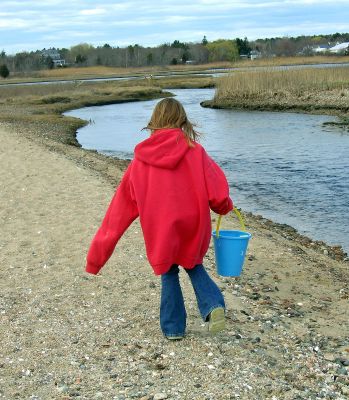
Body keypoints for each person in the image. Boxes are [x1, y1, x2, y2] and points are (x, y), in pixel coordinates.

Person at [85, 98, 233, 340]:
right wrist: (224, 207)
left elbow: (118, 213)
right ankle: (213, 305)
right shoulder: (196, 152)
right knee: (193, 264)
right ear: (182, 121)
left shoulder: (140, 162)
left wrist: (96, 259)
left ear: (154, 122)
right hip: (193, 225)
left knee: (169, 271)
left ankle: (174, 329)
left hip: (160, 229)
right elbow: (218, 193)